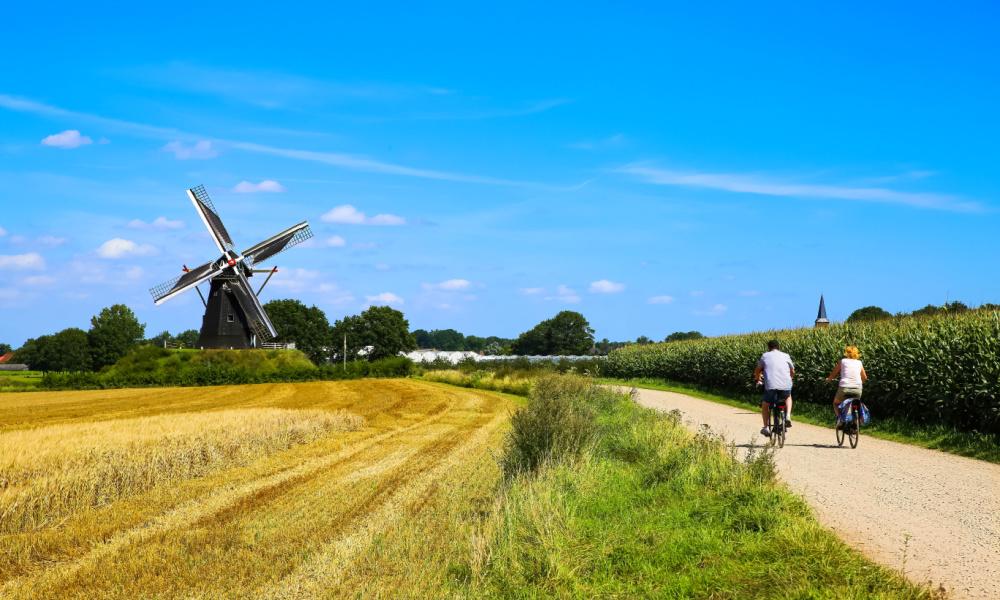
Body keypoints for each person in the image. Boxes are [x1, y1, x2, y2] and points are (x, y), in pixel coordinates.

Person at [753, 339, 794, 437]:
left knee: (765, 404)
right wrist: (790, 379)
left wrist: (758, 379)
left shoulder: (765, 355)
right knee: (788, 396)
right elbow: (792, 371)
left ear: (769, 347)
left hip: (771, 386)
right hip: (786, 385)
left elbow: (758, 370)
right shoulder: (786, 355)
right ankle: (788, 415)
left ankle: (766, 427)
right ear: (778, 347)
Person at [826, 345, 868, 423]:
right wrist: (860, 383)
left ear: (847, 353)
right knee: (855, 403)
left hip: (844, 388)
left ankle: (840, 419)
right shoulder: (859, 363)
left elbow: (834, 373)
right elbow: (865, 377)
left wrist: (829, 379)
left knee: (836, 403)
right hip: (858, 389)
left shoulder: (843, 361)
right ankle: (856, 422)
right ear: (856, 354)